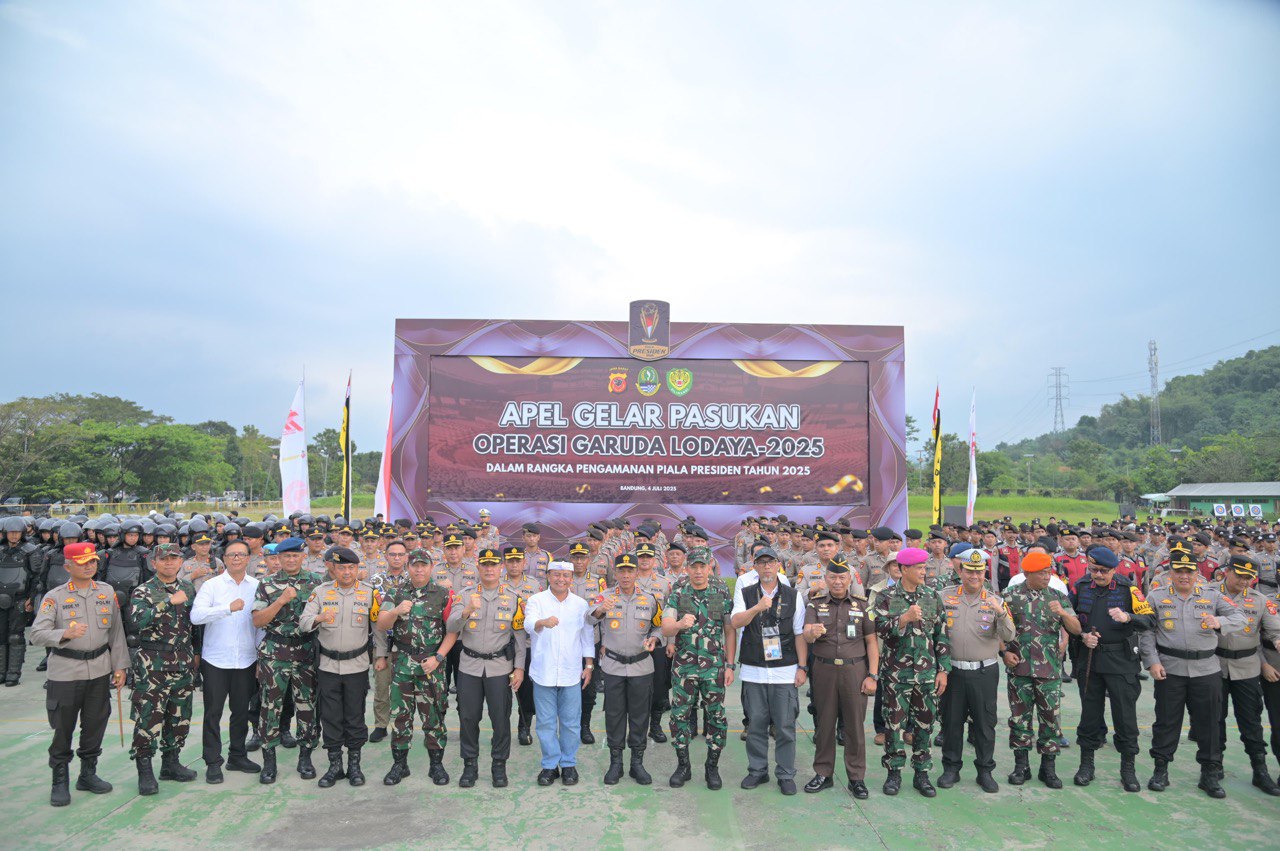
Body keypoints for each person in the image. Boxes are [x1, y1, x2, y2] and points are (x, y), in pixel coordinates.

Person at [30, 542, 129, 807]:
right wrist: (64, 633)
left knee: (95, 724)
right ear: (68, 567)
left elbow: (116, 633)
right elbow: (36, 634)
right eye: (83, 562)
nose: (89, 566)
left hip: (99, 669)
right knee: (63, 728)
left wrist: (120, 667)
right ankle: (59, 779)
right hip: (65, 672)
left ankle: (88, 774)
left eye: (93, 561)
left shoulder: (107, 592)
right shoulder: (55, 597)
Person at [1141, 550, 1245, 797]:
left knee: (1209, 723)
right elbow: (1146, 632)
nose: (1184, 576)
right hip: (1170, 668)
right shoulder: (1156, 596)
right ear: (1171, 573)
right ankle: (1161, 769)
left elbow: (1240, 617)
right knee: (1166, 721)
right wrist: (1151, 662)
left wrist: (1221, 623)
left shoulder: (1212, 595)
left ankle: (1209, 773)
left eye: (1189, 572)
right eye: (1179, 571)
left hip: (1206, 670)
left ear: (1197, 574)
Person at [1069, 544, 1155, 792]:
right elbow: (1068, 616)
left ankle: (1127, 768)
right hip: (1090, 659)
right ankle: (1087, 765)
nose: (1098, 575)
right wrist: (1083, 635)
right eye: (1094, 569)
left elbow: (1149, 619)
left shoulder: (1129, 589)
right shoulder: (1081, 587)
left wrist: (1128, 617)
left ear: (1113, 570)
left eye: (1103, 571)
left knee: (1125, 716)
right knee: (1089, 715)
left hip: (1121, 661)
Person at [377, 545, 458, 786]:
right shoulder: (395, 592)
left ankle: (436, 764)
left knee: (434, 717)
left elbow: (452, 631)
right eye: (415, 564)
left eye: (424, 565)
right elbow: (381, 624)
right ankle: (400, 765)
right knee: (400, 717)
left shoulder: (443, 595)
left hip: (431, 665)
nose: (419, 569)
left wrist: (439, 658)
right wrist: (396, 611)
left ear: (431, 567)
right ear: (408, 567)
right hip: (402, 664)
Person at [872, 546, 950, 797]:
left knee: (924, 725)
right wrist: (903, 618)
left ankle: (922, 773)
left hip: (927, 674)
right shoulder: (886, 596)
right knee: (894, 725)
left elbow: (941, 635)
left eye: (925, 568)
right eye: (919, 568)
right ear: (904, 569)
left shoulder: (932, 596)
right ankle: (894, 773)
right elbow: (881, 630)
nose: (924, 572)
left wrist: (943, 670)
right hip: (897, 674)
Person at [937, 550, 1017, 792]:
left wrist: (1001, 612)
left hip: (984, 672)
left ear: (985, 573)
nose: (974, 576)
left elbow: (1009, 635)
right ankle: (951, 768)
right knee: (951, 723)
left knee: (984, 723)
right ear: (960, 571)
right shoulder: (944, 597)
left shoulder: (996, 601)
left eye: (979, 571)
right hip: (953, 671)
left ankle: (985, 770)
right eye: (969, 571)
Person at [447, 547, 527, 788]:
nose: (490, 569)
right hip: (470, 666)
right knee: (468, 717)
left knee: (500, 719)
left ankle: (498, 766)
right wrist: (467, 611)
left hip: (499, 668)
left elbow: (520, 638)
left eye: (494, 565)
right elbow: (451, 625)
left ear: (500, 567)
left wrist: (520, 669)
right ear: (478, 568)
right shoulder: (465, 595)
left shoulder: (513, 597)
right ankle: (470, 765)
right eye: (485, 565)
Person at [1002, 551, 1082, 789]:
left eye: (1049, 572)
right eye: (1041, 573)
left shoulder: (1058, 597)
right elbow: (997, 629)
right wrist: (1003, 652)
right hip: (1020, 669)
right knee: (1019, 719)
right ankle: (1021, 766)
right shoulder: (1010, 597)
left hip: (1049, 669)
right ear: (1027, 574)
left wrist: (1063, 614)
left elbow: (1077, 629)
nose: (1047, 576)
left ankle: (1049, 767)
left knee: (1050, 719)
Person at [731, 547, 807, 795]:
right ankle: (757, 771)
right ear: (755, 567)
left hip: (784, 670)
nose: (766, 567)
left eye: (770, 563)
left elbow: (799, 633)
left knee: (785, 726)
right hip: (754, 670)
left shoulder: (792, 595)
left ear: (778, 566)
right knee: (756, 725)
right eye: (761, 563)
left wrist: (802, 667)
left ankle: (785, 774)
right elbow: (736, 622)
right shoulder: (745, 592)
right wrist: (757, 608)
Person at [300, 546, 376, 788]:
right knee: (331, 717)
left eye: (351, 567)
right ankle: (335, 766)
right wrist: (319, 618)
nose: (346, 572)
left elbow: (379, 629)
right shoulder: (320, 592)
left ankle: (354, 765)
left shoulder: (370, 593)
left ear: (357, 569)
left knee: (355, 716)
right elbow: (303, 622)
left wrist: (382, 656)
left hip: (357, 665)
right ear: (333, 569)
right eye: (341, 567)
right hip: (328, 665)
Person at [801, 557, 878, 797]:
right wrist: (811, 633)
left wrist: (873, 675)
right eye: (832, 577)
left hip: (854, 671)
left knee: (855, 725)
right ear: (825, 579)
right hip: (824, 670)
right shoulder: (814, 605)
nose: (837, 581)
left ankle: (856, 777)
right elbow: (806, 634)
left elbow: (871, 642)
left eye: (841, 577)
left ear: (849, 580)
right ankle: (823, 773)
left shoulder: (863, 605)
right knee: (824, 723)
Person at [250, 536, 324, 784]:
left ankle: (306, 757)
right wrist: (281, 600)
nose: (291, 560)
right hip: (275, 653)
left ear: (303, 557)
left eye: (296, 555)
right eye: (286, 556)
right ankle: (269, 761)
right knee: (270, 707)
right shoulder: (267, 584)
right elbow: (258, 620)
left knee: (307, 706)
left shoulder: (316, 583)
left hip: (305, 651)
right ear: (278, 559)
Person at [127, 543, 199, 795]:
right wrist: (168, 601)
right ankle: (144, 769)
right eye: (164, 559)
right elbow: (137, 621)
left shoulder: (188, 588)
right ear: (154, 563)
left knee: (179, 716)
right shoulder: (144, 590)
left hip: (183, 662)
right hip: (153, 664)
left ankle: (171, 763)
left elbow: (195, 625)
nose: (169, 563)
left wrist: (196, 656)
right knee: (149, 716)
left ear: (181, 562)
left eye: (174, 559)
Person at [663, 546, 737, 790]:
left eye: (702, 566)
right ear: (687, 567)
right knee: (679, 717)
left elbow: (729, 629)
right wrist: (679, 625)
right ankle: (683, 766)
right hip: (684, 668)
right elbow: (666, 629)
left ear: (710, 567)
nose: (698, 571)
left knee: (716, 716)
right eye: (693, 566)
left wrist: (729, 665)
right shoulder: (679, 591)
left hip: (714, 668)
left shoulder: (719, 591)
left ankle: (711, 767)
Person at [190, 538, 261, 783]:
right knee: (213, 713)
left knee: (241, 711)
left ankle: (237, 755)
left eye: (241, 554)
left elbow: (260, 623)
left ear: (248, 558)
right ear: (225, 559)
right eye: (231, 555)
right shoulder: (212, 586)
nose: (237, 558)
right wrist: (226, 608)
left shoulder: (257, 586)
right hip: (216, 660)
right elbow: (196, 616)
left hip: (246, 660)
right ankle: (213, 761)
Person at [589, 552, 662, 785]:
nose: (626, 575)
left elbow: (659, 627)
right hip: (613, 667)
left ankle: (637, 764)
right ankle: (616, 763)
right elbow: (589, 619)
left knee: (640, 717)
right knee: (614, 715)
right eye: (622, 571)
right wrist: (601, 610)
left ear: (636, 573)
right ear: (616, 573)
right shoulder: (605, 596)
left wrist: (656, 639)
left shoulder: (649, 599)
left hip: (641, 666)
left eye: (631, 571)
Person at [524, 560, 594, 786]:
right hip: (543, 672)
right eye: (556, 575)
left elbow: (587, 637)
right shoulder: (536, 600)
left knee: (571, 723)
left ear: (571, 579)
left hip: (571, 672)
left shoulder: (580, 604)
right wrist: (542, 622)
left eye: (565, 576)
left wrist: (589, 665)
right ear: (548, 576)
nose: (561, 579)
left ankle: (568, 764)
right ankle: (549, 765)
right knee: (545, 723)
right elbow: (528, 624)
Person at [1214, 555, 1280, 796]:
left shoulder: (1260, 600)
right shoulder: (1209, 593)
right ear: (1227, 571)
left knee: (1251, 721)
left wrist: (1278, 640)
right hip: (1215, 664)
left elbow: (1273, 630)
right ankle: (1213, 766)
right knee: (1214, 718)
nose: (1244, 581)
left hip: (1248, 666)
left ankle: (1259, 770)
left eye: (1249, 578)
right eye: (1240, 575)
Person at [0, 516, 37, 686]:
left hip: (20, 599)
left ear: (22, 533)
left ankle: (13, 673)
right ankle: (1, 671)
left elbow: (36, 578)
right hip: (1, 598)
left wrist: (31, 599)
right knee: (1, 636)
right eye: (11, 533)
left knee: (15, 636)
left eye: (17, 532)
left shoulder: (30, 550)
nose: (14, 536)